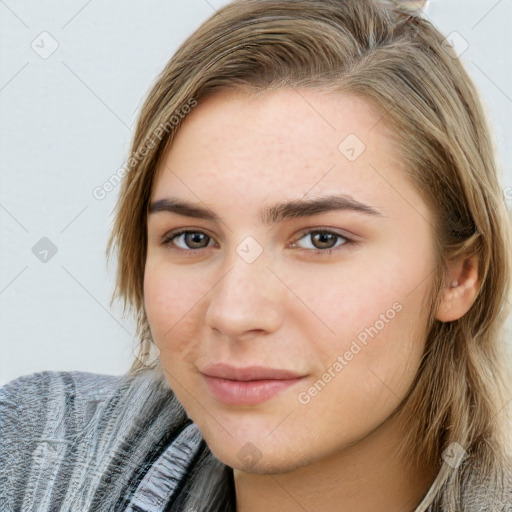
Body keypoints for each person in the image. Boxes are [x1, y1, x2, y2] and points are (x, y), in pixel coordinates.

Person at [1, 0, 511, 510]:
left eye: (321, 239)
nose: (233, 313)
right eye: (193, 238)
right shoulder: (41, 457)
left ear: (460, 275)